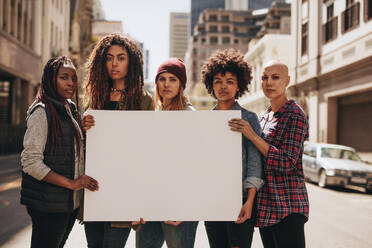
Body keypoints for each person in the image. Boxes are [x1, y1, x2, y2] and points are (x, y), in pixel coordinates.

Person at [228, 60, 309, 248]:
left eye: (275, 77)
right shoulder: (264, 116)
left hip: (288, 206)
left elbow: (287, 162)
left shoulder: (295, 114)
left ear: (287, 80)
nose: (269, 83)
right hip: (267, 207)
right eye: (264, 78)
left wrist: (252, 136)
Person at [20, 56, 99, 248]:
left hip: (66, 204)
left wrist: (84, 128)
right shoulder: (42, 111)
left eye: (73, 78)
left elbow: (71, 151)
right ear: (50, 79)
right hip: (48, 205)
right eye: (64, 77)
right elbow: (30, 162)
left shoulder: (68, 109)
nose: (71, 83)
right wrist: (72, 184)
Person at [82, 34, 153, 248]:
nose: (114, 63)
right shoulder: (95, 96)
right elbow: (85, 145)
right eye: (109, 58)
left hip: (123, 189)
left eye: (121, 58)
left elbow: (149, 152)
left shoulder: (143, 99)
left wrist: (141, 201)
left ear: (130, 63)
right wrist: (83, 127)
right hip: (94, 188)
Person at [201, 49, 263, 248]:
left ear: (239, 86)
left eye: (229, 81)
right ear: (211, 84)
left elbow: (254, 162)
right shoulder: (205, 121)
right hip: (212, 200)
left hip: (240, 199)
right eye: (218, 80)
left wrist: (250, 201)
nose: (223, 86)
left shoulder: (249, 117)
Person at [135, 58, 198, 248]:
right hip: (150, 199)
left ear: (181, 84)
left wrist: (186, 208)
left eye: (173, 79)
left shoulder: (190, 116)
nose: (166, 84)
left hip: (178, 202)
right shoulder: (151, 114)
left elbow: (196, 166)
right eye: (162, 78)